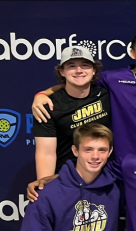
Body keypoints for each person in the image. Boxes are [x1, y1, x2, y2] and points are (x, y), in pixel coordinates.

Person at [15, 123, 119, 231]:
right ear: (75, 150)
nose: (95, 156)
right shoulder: (47, 193)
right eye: (88, 150)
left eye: (102, 150)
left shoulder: (113, 189)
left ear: (110, 152)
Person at [33, 46, 112, 179]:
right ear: (62, 72)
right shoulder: (48, 106)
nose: (79, 70)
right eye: (71, 66)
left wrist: (40, 93)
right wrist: (45, 186)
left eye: (85, 65)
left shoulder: (107, 94)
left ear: (94, 71)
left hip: (105, 177)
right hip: (66, 179)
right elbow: (46, 153)